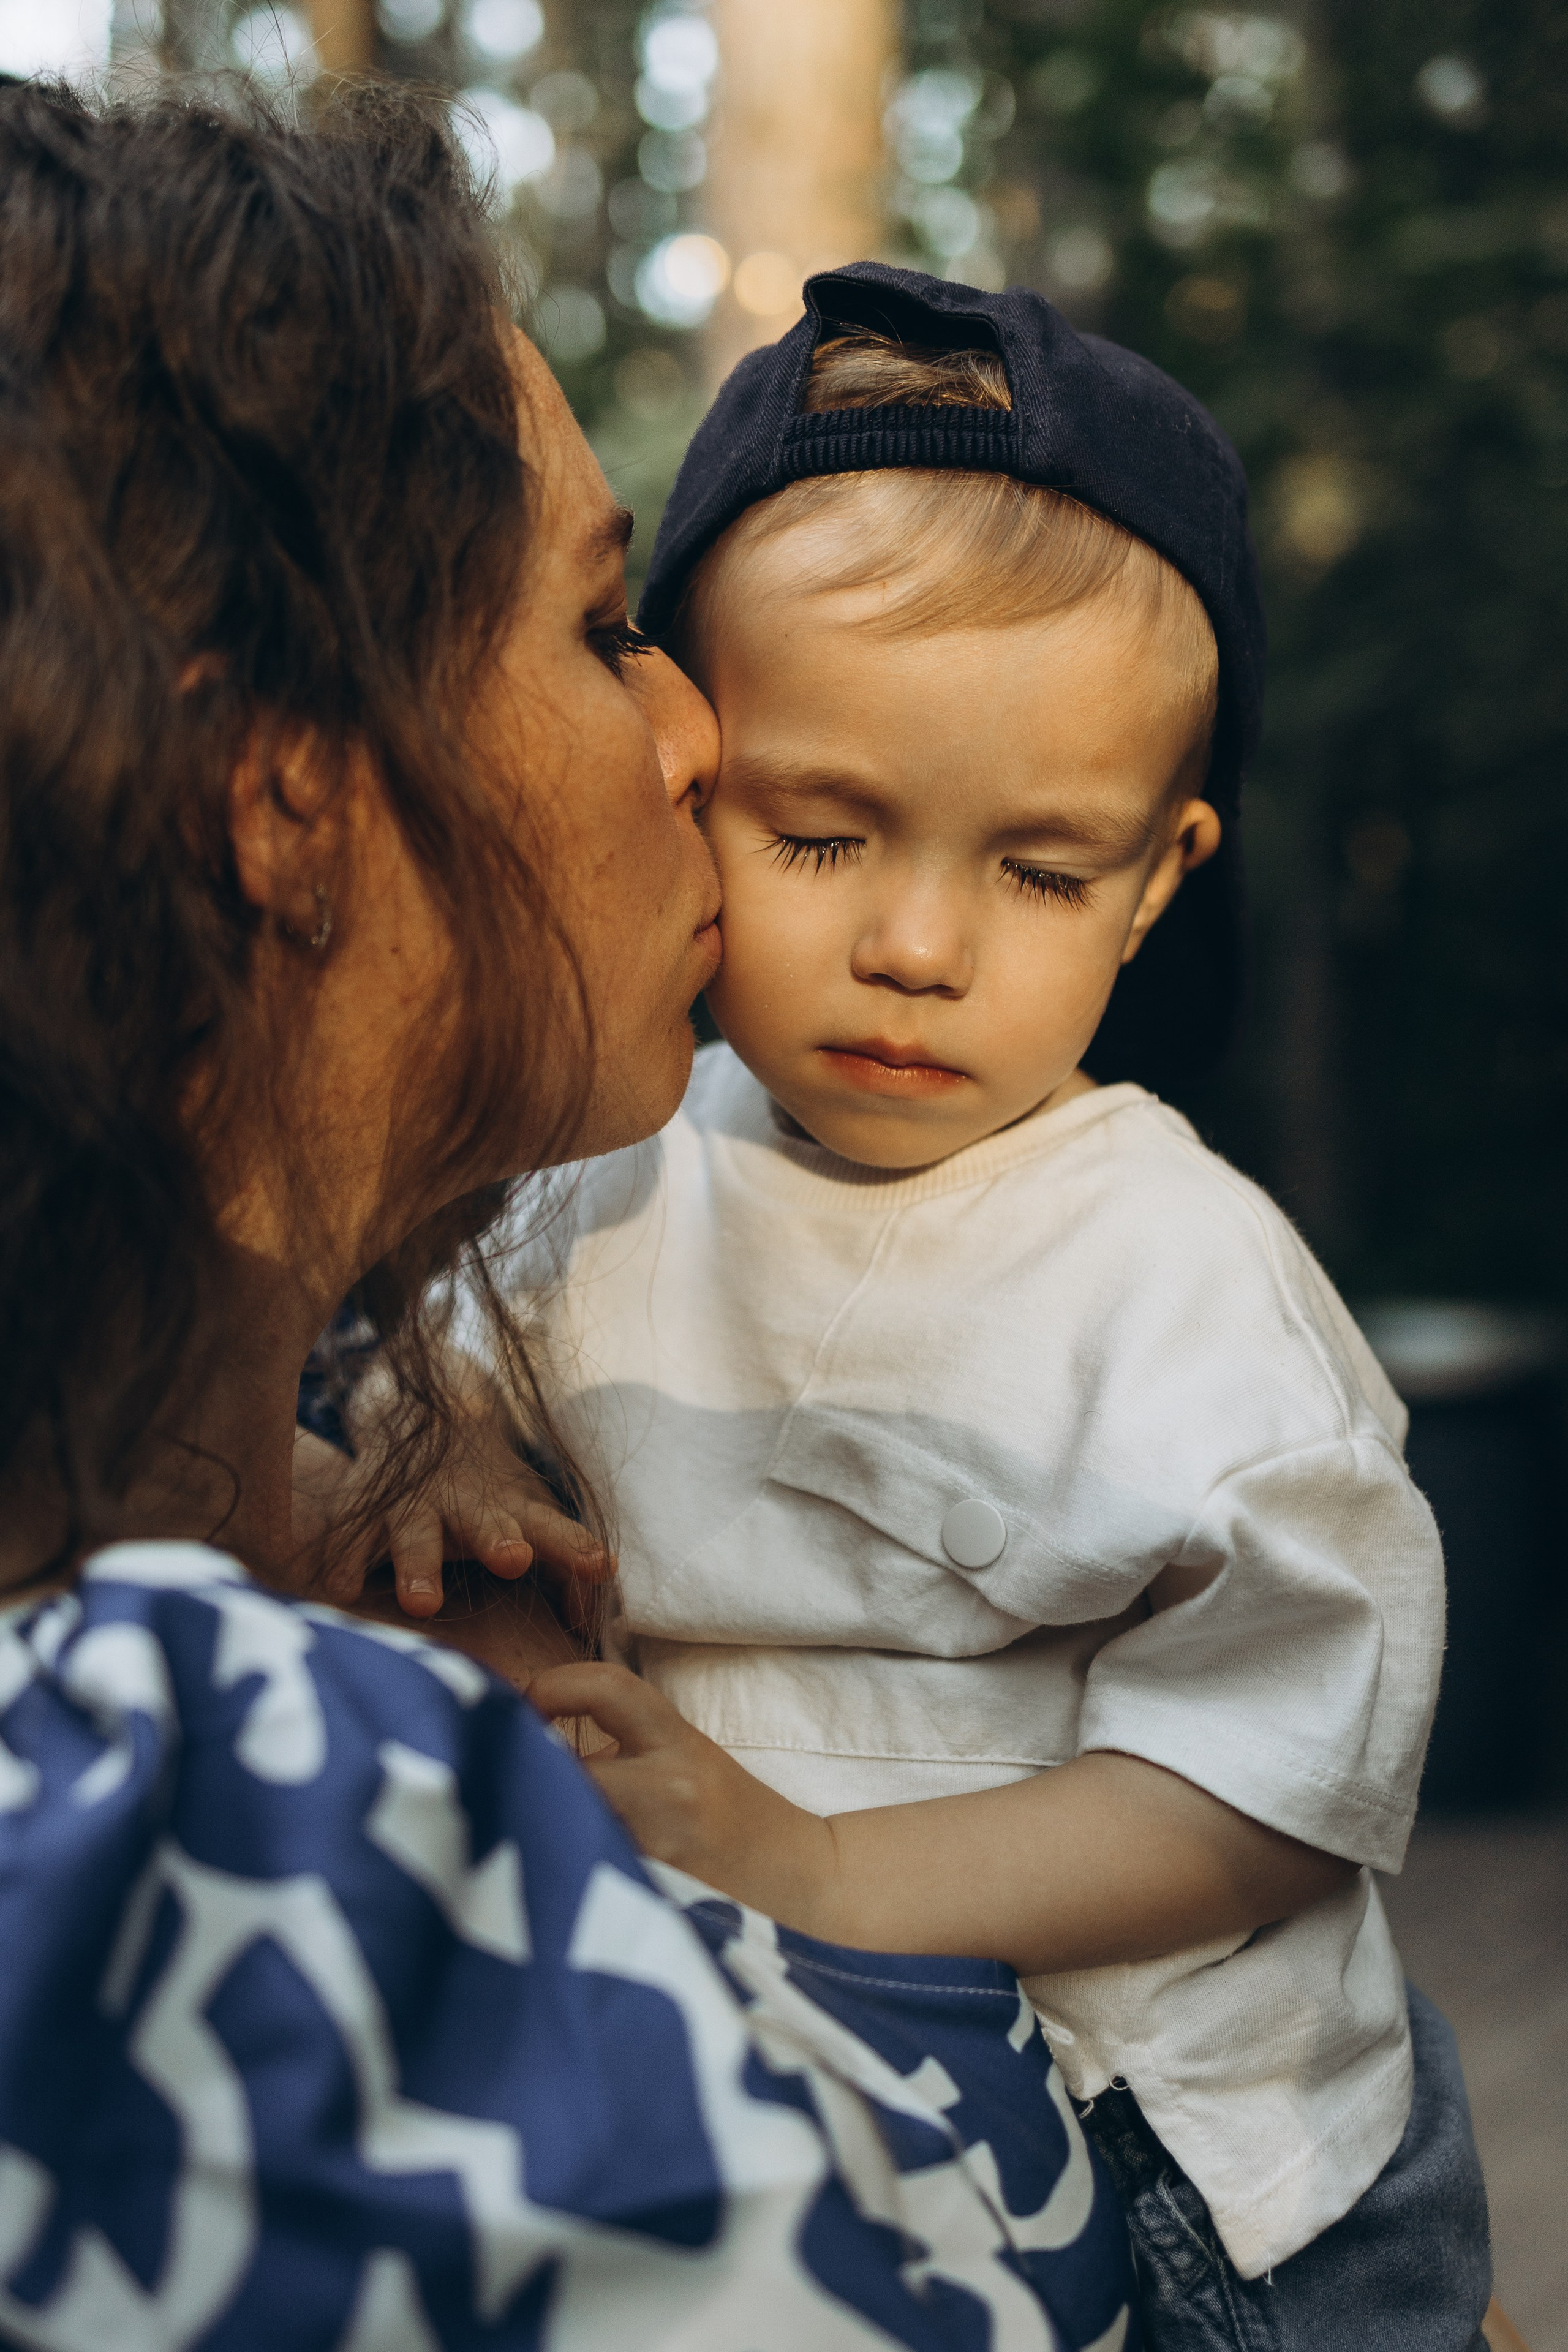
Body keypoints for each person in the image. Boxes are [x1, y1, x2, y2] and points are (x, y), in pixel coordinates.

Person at [0, 91, 1142, 2351]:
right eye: (604, 623)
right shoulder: (200, 1825)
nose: (703, 735)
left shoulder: (288, 1628)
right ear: (285, 796)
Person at [328, 269, 1498, 2350]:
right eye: (825, 830)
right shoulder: (592, 1183)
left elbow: (1271, 1783)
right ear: (689, 772)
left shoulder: (1177, 1286)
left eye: (1042, 873)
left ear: (1157, 879)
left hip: (1191, 2176)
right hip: (776, 2087)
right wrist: (448, 1466)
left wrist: (825, 1868)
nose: (921, 945)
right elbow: (434, 1373)